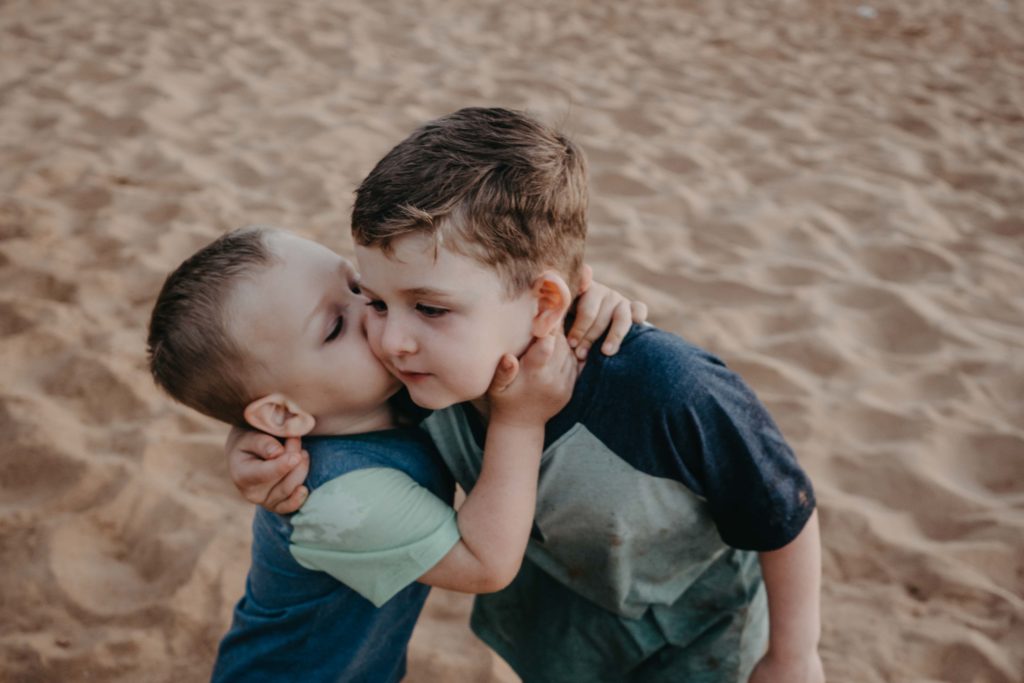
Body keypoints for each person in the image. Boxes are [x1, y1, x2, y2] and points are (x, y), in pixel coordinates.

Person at [230, 107, 824, 683]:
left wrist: (793, 658)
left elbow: (783, 509)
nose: (390, 340)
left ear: (545, 304)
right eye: (377, 301)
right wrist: (249, 441)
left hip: (700, 626)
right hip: (564, 611)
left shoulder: (665, 387)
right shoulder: (422, 377)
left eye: (430, 308)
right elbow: (309, 396)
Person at [147, 225, 642, 682]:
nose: (374, 310)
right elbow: (485, 563)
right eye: (335, 326)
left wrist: (583, 302)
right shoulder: (335, 494)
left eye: (357, 285)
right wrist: (520, 421)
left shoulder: (372, 396)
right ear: (280, 415)